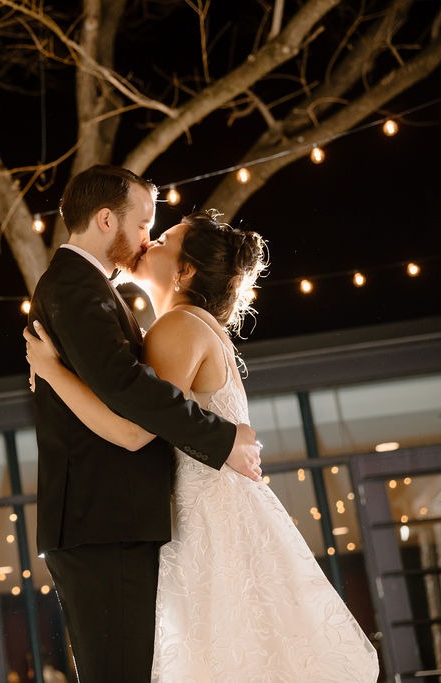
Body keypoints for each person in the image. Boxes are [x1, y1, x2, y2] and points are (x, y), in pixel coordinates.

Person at [26, 210, 380, 681]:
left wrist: (53, 372)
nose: (149, 240)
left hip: (205, 520)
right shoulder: (194, 325)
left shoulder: (176, 328)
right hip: (220, 510)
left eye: (165, 238)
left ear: (185, 270)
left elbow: (132, 430)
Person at [25, 164, 263, 682]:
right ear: (106, 220)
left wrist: (50, 372)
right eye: (143, 223)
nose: (146, 238)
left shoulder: (96, 291)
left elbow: (131, 404)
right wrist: (222, 439)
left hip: (115, 524)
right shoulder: (75, 288)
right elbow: (131, 400)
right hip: (102, 524)